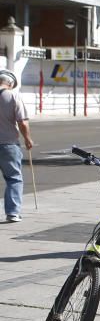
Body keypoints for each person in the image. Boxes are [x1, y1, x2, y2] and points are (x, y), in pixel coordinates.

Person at [0, 70, 32, 222]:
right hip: (8, 144)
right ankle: (12, 213)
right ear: (10, 83)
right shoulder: (13, 96)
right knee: (13, 178)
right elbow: (22, 122)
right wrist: (27, 139)